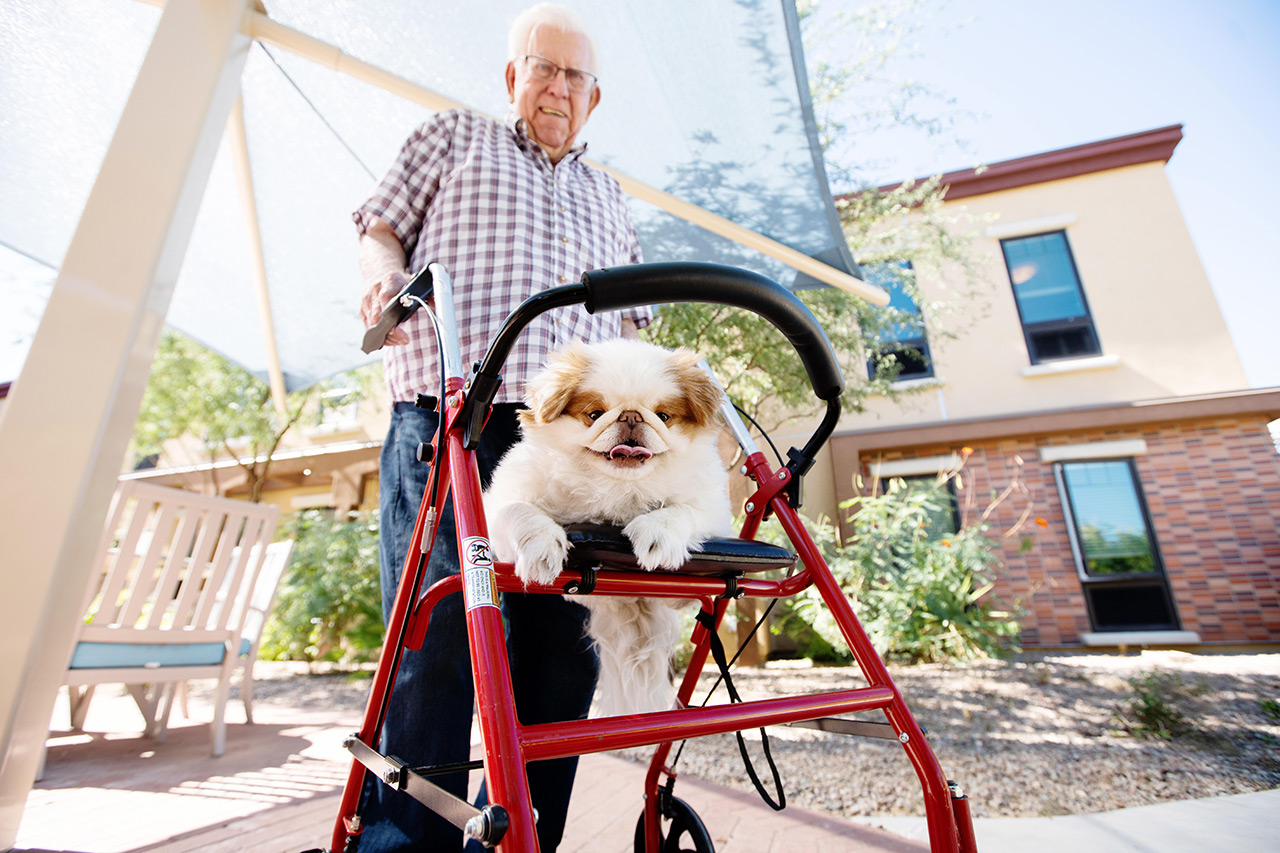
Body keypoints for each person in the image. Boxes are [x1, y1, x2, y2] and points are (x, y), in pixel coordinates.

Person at [352, 4, 649, 851]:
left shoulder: (610, 195)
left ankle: (521, 836)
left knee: (563, 642)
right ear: (513, 77)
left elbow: (633, 329)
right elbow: (379, 226)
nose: (558, 86)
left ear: (596, 97)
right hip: (454, 421)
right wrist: (383, 279)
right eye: (542, 68)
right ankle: (406, 845)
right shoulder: (452, 137)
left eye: (575, 76)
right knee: (440, 632)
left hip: (570, 453)